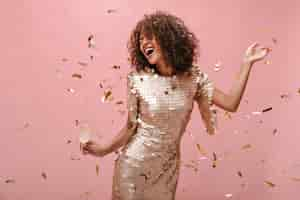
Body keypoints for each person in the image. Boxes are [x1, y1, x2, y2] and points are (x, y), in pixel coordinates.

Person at [81, 10, 270, 200]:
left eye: (149, 36)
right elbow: (131, 127)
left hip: (167, 170)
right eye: (140, 40)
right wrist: (103, 150)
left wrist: (247, 64)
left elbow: (231, 103)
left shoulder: (193, 79)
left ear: (166, 38)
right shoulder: (137, 80)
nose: (143, 43)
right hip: (133, 165)